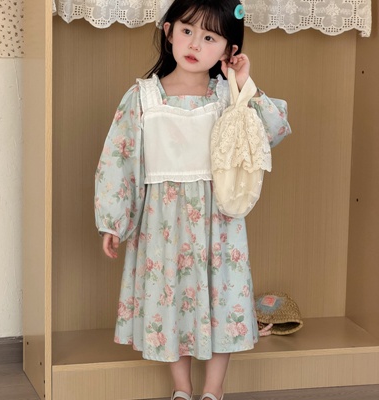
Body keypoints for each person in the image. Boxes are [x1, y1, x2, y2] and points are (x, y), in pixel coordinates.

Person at [95, 1, 291, 399]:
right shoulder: (142, 97)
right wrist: (113, 220)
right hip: (162, 225)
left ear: (229, 50)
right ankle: (182, 389)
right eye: (187, 31)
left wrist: (242, 84)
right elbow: (118, 158)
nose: (195, 44)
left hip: (218, 222)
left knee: (222, 299)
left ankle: (213, 391)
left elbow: (273, 129)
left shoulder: (228, 97)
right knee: (171, 302)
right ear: (168, 31)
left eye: (210, 37)